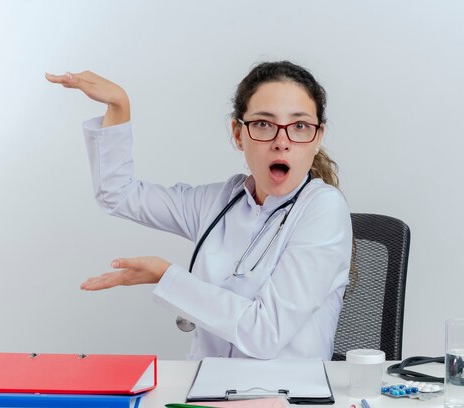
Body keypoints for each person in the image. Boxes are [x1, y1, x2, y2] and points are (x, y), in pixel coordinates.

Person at [45, 61, 352, 360]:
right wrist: (119, 108)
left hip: (288, 396)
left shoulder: (324, 209)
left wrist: (167, 276)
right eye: (263, 124)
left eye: (299, 126)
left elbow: (264, 334)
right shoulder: (216, 202)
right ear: (238, 134)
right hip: (207, 388)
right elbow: (118, 194)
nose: (281, 142)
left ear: (317, 138)